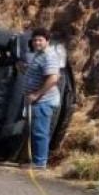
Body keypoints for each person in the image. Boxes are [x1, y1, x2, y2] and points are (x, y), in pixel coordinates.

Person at [22, 27, 61, 169]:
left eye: (40, 40)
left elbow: (53, 78)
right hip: (37, 100)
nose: (37, 43)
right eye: (35, 40)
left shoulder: (49, 55)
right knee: (37, 130)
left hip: (43, 100)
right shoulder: (39, 54)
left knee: (40, 131)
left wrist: (36, 95)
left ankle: (40, 163)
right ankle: (37, 161)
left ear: (47, 41)